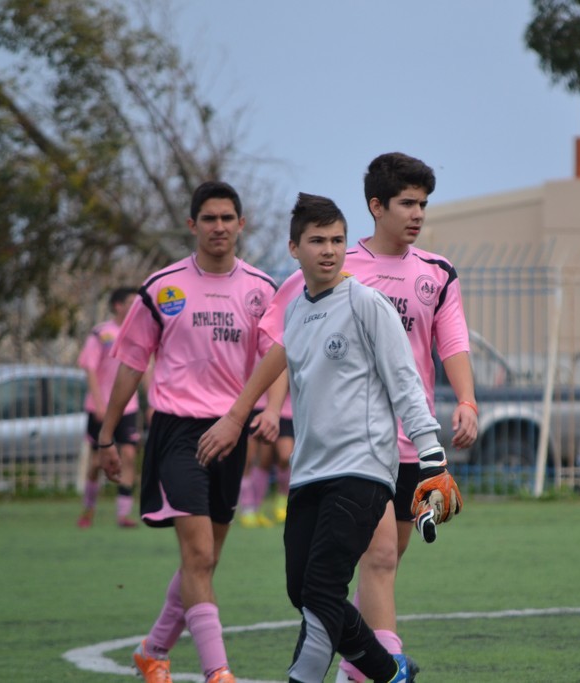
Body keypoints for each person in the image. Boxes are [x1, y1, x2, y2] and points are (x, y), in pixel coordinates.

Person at [197, 192, 462, 683]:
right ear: (294, 248)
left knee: (321, 589)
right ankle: (390, 673)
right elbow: (286, 377)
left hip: (362, 471)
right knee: (303, 592)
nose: (330, 250)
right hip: (309, 474)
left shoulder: (366, 303)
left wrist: (432, 458)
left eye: (338, 240)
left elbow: (406, 383)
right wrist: (247, 412)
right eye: (317, 241)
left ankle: (356, 675)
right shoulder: (295, 311)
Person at [259, 152, 478, 681]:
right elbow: (283, 343)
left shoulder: (436, 272)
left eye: (423, 204)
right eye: (407, 203)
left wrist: (465, 403)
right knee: (372, 562)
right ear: (376, 206)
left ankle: (361, 670)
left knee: (381, 563)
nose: (417, 214)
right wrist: (263, 406)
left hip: (410, 440)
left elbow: (450, 342)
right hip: (361, 447)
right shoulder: (336, 268)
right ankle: (386, 669)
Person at [97, 180, 278, 683]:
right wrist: (107, 435)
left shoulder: (262, 289)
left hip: (232, 431)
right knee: (197, 554)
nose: (219, 227)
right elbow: (131, 364)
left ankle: (153, 650)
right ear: (192, 224)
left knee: (207, 559)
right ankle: (218, 672)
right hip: (177, 432)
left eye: (227, 218)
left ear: (241, 224)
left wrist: (270, 409)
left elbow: (277, 356)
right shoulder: (162, 287)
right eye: (209, 218)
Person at [77, 286, 142, 528]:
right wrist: (98, 403)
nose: (137, 306)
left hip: (129, 406)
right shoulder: (101, 334)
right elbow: (90, 368)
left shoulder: (139, 333)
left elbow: (144, 368)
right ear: (118, 306)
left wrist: (154, 401)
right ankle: (88, 508)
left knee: (129, 454)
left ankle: (123, 514)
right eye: (132, 302)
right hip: (101, 407)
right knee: (97, 462)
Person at [237, 392, 294, 528]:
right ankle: (250, 508)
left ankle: (283, 501)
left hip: (284, 410)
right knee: (252, 459)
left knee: (285, 457)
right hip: (255, 405)